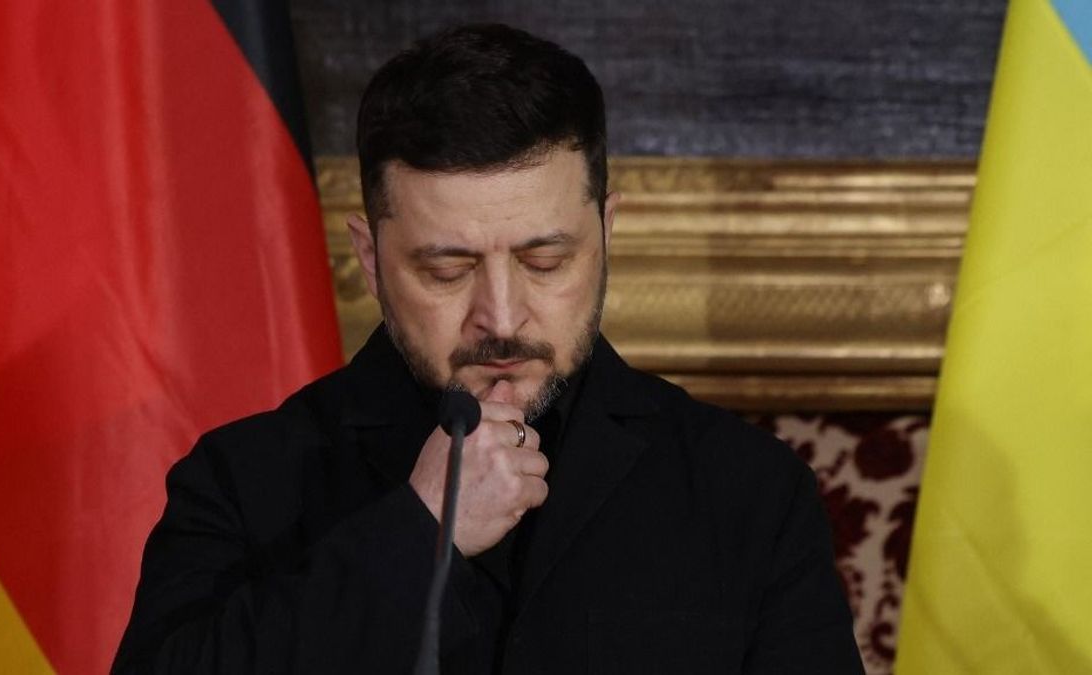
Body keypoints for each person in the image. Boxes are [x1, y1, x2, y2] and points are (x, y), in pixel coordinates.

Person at [112, 23, 863, 674]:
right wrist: (414, 535)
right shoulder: (242, 482)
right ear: (371, 259)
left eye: (545, 261)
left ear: (606, 235)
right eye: (448, 269)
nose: (499, 316)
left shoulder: (749, 492)